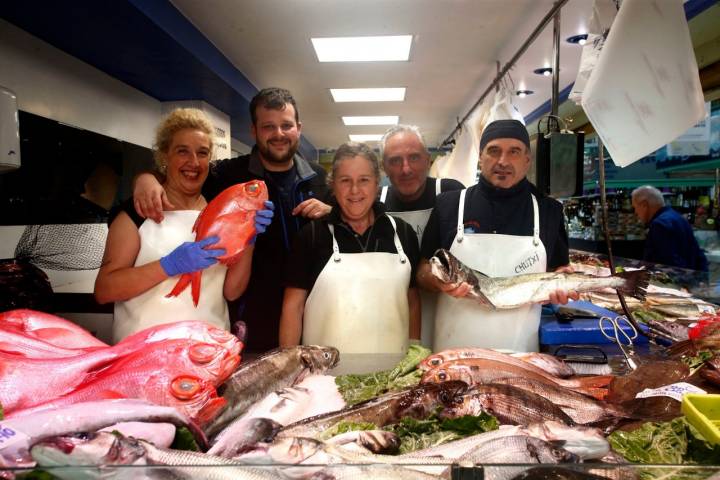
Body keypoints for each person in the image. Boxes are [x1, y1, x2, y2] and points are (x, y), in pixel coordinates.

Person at [132, 88, 330, 352]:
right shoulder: (228, 174)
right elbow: (186, 174)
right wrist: (145, 178)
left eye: (286, 125)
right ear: (254, 130)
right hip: (248, 317)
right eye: (268, 126)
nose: (279, 134)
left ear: (299, 128)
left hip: (312, 312)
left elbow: (348, 225)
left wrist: (331, 211)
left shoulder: (319, 177)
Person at [94, 108, 273, 343]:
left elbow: (231, 291)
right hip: (143, 353)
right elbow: (105, 290)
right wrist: (168, 266)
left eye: (202, 153)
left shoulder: (221, 211)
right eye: (182, 151)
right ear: (165, 156)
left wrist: (249, 238)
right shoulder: (138, 213)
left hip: (207, 352)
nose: (194, 162)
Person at [417, 119, 576, 352]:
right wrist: (436, 279)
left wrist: (563, 286)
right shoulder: (448, 205)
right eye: (494, 151)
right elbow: (421, 270)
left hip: (521, 351)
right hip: (453, 352)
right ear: (481, 157)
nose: (503, 161)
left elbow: (559, 270)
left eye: (514, 152)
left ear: (527, 160)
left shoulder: (549, 211)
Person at [279, 142, 421, 353]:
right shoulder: (313, 235)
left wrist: (414, 353)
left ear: (377, 184)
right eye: (345, 181)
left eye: (364, 180)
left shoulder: (403, 233)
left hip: (392, 375)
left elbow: (412, 302)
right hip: (324, 377)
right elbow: (293, 308)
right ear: (333, 186)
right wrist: (288, 363)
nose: (355, 190)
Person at [378, 125, 464, 346]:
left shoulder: (451, 194)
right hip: (394, 319)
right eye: (395, 161)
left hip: (448, 315)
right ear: (384, 168)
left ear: (428, 160)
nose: (406, 169)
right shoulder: (376, 201)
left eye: (414, 157)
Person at [631, 185, 708, 271]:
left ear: (644, 205)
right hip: (691, 279)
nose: (635, 212)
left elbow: (668, 263)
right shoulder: (678, 217)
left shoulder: (659, 224)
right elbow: (698, 254)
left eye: (635, 207)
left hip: (677, 282)